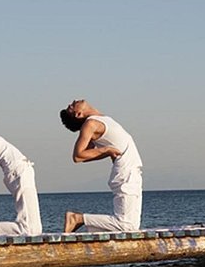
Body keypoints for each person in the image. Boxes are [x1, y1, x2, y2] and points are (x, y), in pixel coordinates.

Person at [59, 99, 143, 233]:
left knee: (132, 225)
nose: (72, 102)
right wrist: (106, 150)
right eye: (71, 107)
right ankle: (77, 219)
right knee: (127, 226)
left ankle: (89, 228)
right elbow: (78, 156)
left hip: (132, 171)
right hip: (126, 172)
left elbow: (89, 152)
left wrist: (107, 151)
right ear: (78, 114)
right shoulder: (90, 124)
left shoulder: (100, 118)